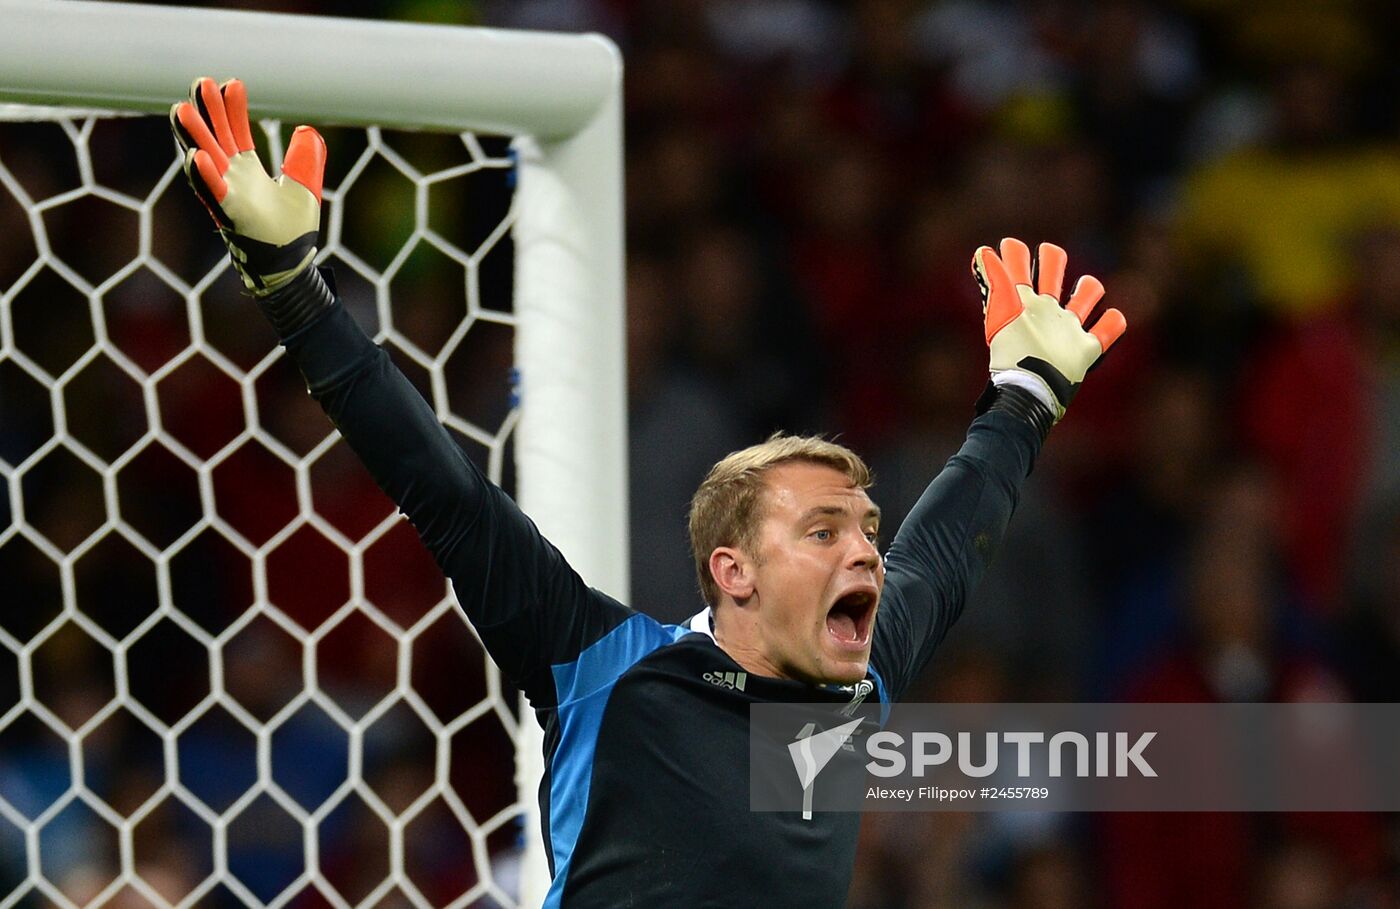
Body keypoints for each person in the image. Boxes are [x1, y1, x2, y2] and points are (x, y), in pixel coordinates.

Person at [169, 76, 1124, 908]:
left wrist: (1027, 396)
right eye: (825, 531)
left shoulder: (853, 681)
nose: (869, 550)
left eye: (867, 530)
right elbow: (443, 489)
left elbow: (950, 543)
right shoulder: (606, 668)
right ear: (733, 570)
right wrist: (296, 291)